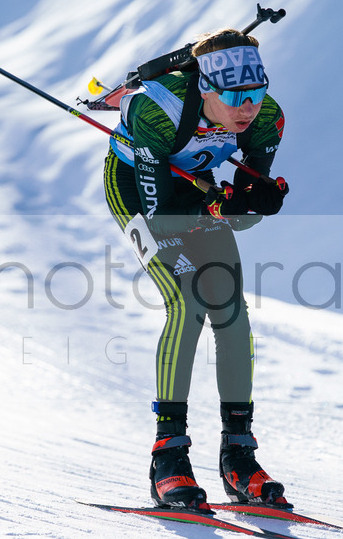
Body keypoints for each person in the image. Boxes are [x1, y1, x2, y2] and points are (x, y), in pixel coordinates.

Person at [102, 28, 291, 510]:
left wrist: (252, 202)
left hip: (193, 187)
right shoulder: (156, 112)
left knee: (232, 312)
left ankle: (238, 454)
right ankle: (168, 455)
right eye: (235, 96)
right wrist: (217, 207)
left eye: (256, 92)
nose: (248, 107)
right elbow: (161, 213)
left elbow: (243, 214)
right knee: (186, 302)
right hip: (138, 191)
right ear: (206, 88)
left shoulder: (267, 118)